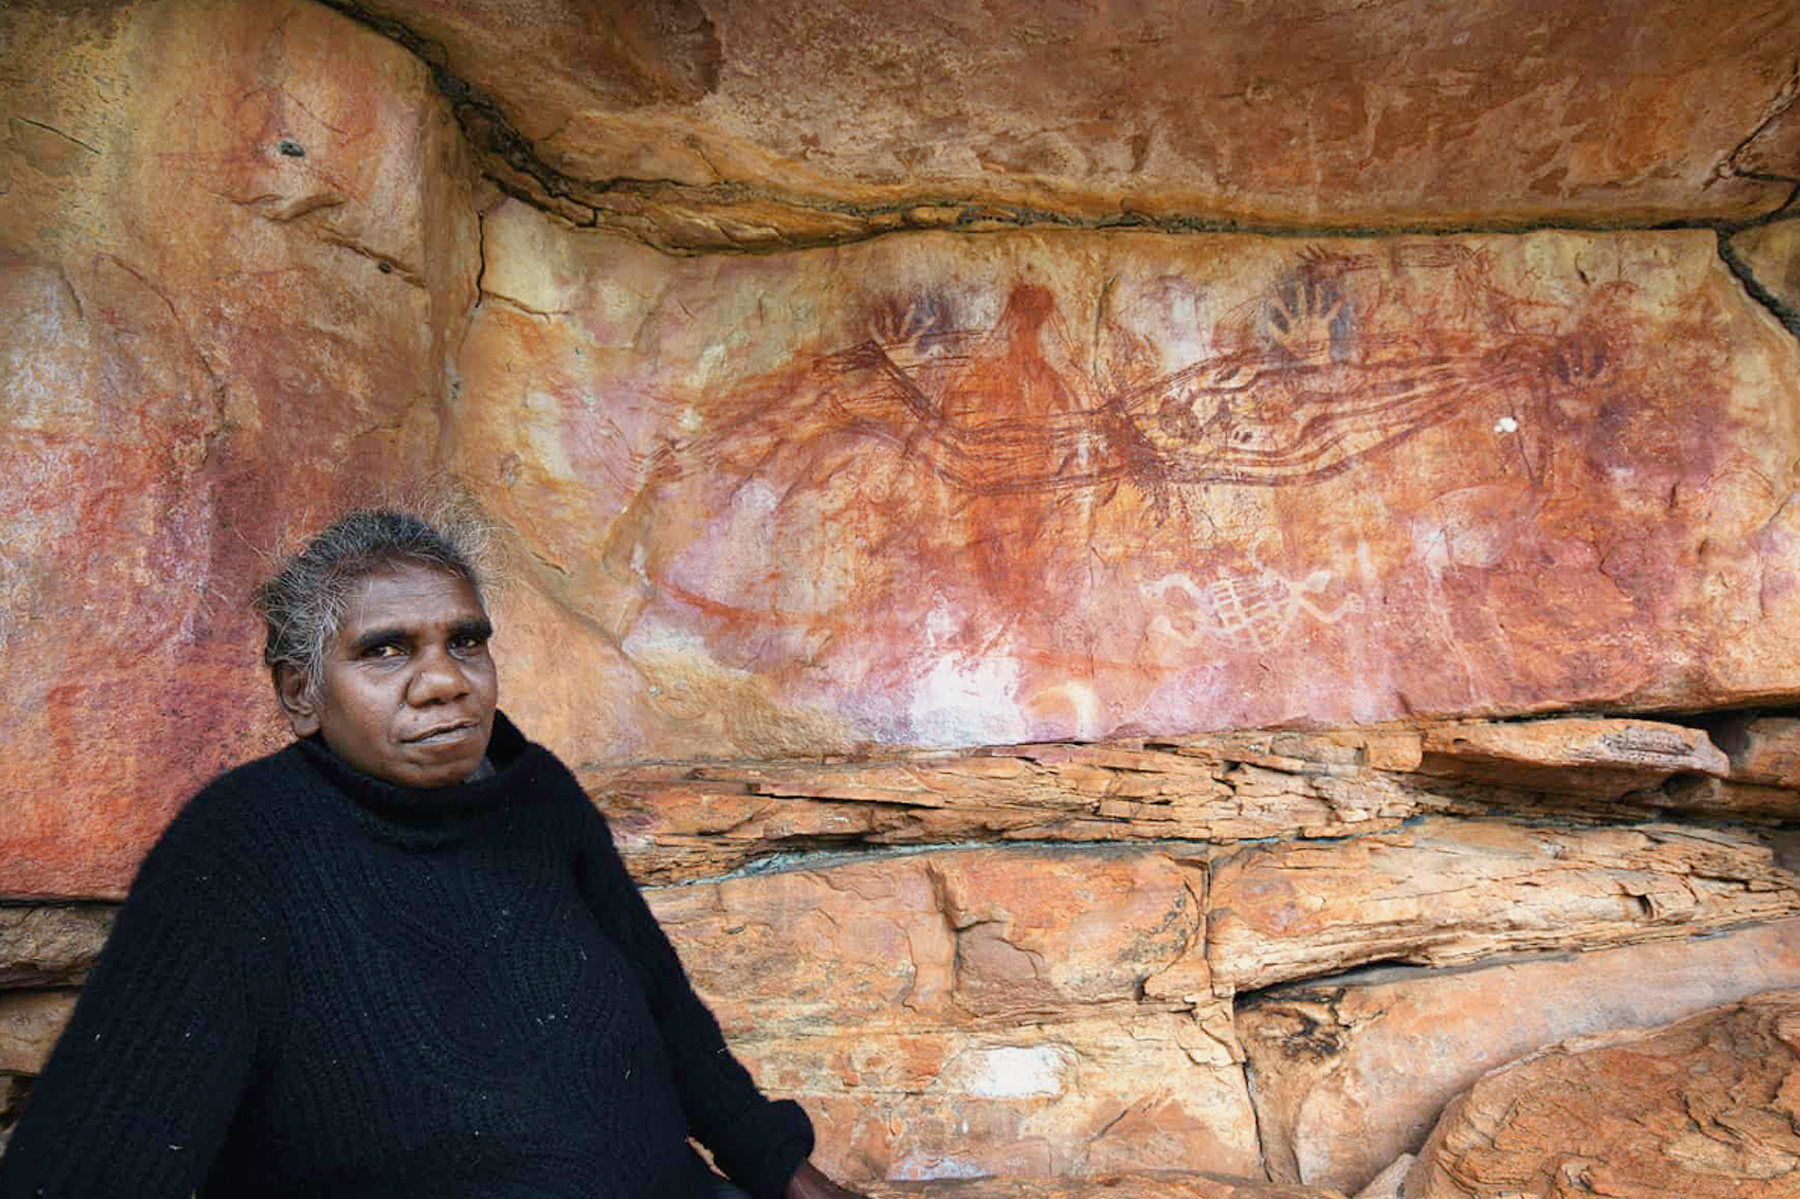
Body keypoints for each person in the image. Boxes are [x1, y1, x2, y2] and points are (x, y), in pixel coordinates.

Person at [0, 508, 870, 1199]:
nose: (447, 678)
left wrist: (785, 1172)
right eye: (385, 650)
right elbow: (92, 1160)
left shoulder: (537, 797)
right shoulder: (238, 852)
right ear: (301, 693)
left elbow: (669, 1016)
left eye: (466, 639)